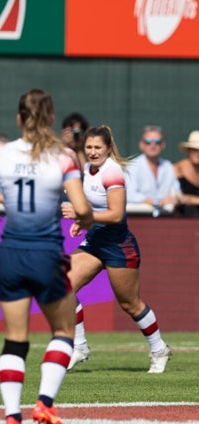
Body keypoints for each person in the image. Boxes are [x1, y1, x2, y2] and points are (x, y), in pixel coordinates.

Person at [0, 89, 93, 424]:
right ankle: (44, 404)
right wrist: (86, 219)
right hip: (47, 254)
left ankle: (11, 417)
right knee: (64, 330)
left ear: (19, 118)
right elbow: (81, 208)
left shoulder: (0, 154)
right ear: (52, 118)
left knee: (15, 339)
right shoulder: (63, 157)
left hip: (11, 253)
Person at [63, 125, 172, 374]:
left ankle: (159, 350)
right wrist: (83, 223)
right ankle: (79, 347)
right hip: (95, 241)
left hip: (118, 245)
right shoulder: (87, 169)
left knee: (130, 304)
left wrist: (85, 216)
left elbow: (115, 215)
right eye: (89, 147)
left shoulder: (112, 172)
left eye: (97, 147)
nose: (92, 152)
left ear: (108, 149)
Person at [125, 125, 180, 216]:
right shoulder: (132, 166)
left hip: (165, 217)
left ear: (163, 145)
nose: (153, 145)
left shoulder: (168, 166)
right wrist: (157, 202)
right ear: (141, 145)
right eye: (148, 142)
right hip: (137, 217)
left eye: (157, 142)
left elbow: (176, 191)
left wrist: (174, 198)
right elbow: (129, 195)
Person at [173, 130, 199, 217]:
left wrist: (191, 199)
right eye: (194, 150)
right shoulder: (177, 168)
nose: (197, 154)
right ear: (188, 151)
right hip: (184, 219)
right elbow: (178, 198)